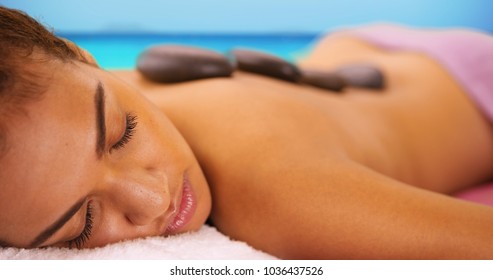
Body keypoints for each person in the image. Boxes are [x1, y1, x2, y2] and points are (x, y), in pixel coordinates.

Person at [1, 6, 493, 259]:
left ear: (80, 53)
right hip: (368, 53)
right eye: (83, 223)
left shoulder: (285, 196)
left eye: (121, 133)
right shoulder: (75, 94)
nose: (152, 200)